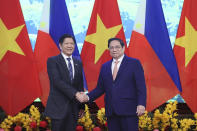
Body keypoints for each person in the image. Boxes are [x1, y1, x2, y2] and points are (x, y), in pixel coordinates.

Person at [81, 37, 147, 131]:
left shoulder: (134, 63)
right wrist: (87, 97)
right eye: (111, 47)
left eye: (117, 47)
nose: (114, 49)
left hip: (129, 111)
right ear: (109, 49)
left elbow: (141, 86)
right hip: (111, 112)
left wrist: (141, 104)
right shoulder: (105, 66)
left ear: (123, 48)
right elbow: (100, 88)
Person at [44, 34, 86, 131]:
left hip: (73, 109)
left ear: (74, 46)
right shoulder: (52, 61)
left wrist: (81, 106)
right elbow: (57, 81)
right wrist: (76, 94)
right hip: (58, 108)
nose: (69, 46)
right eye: (66, 43)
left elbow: (79, 85)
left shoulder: (78, 62)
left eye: (72, 43)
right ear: (60, 45)